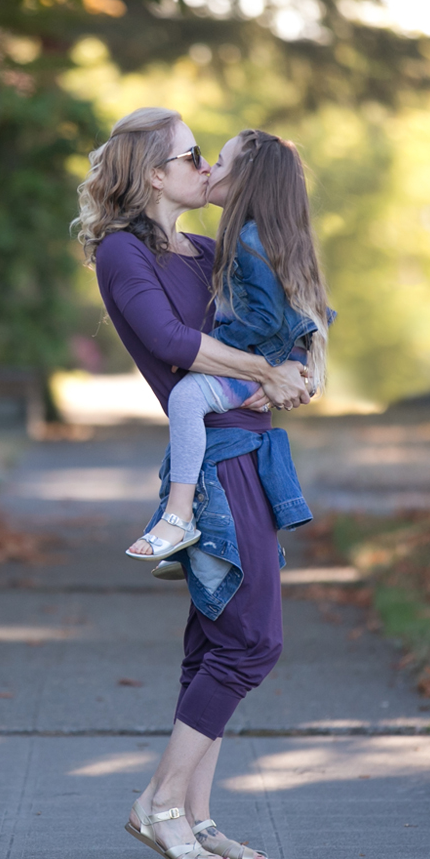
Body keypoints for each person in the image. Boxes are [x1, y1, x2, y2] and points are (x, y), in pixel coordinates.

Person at [75, 108, 315, 859]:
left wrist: (296, 366)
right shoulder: (122, 254)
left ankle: (199, 818)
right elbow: (174, 346)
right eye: (192, 154)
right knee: (253, 641)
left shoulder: (209, 250)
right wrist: (262, 374)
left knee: (214, 644)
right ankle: (160, 802)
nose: (205, 165)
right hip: (211, 467)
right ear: (155, 173)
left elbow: (265, 326)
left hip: (249, 451)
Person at [124, 128, 332, 563]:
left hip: (266, 354)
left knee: (185, 399)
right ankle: (187, 541)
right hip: (276, 356)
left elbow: (266, 319)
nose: (207, 169)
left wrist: (224, 352)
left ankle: (177, 517)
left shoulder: (248, 240)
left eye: (218, 162)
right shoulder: (266, 236)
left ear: (246, 179)